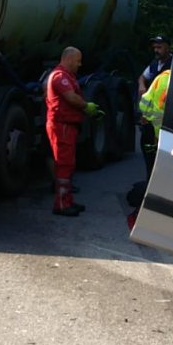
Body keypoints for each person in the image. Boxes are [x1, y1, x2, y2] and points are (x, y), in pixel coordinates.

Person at [45, 46, 100, 217]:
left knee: (68, 165)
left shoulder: (66, 76)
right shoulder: (60, 76)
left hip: (67, 126)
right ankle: (61, 204)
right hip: (61, 126)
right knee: (64, 165)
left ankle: (67, 201)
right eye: (77, 61)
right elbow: (70, 97)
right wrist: (86, 106)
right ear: (68, 59)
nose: (80, 64)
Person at [137, 35, 173, 178]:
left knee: (161, 155)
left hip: (165, 119)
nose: (156, 50)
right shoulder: (154, 64)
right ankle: (150, 180)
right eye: (155, 47)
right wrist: (141, 85)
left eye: (160, 47)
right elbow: (142, 77)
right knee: (148, 151)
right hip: (150, 118)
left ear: (168, 47)